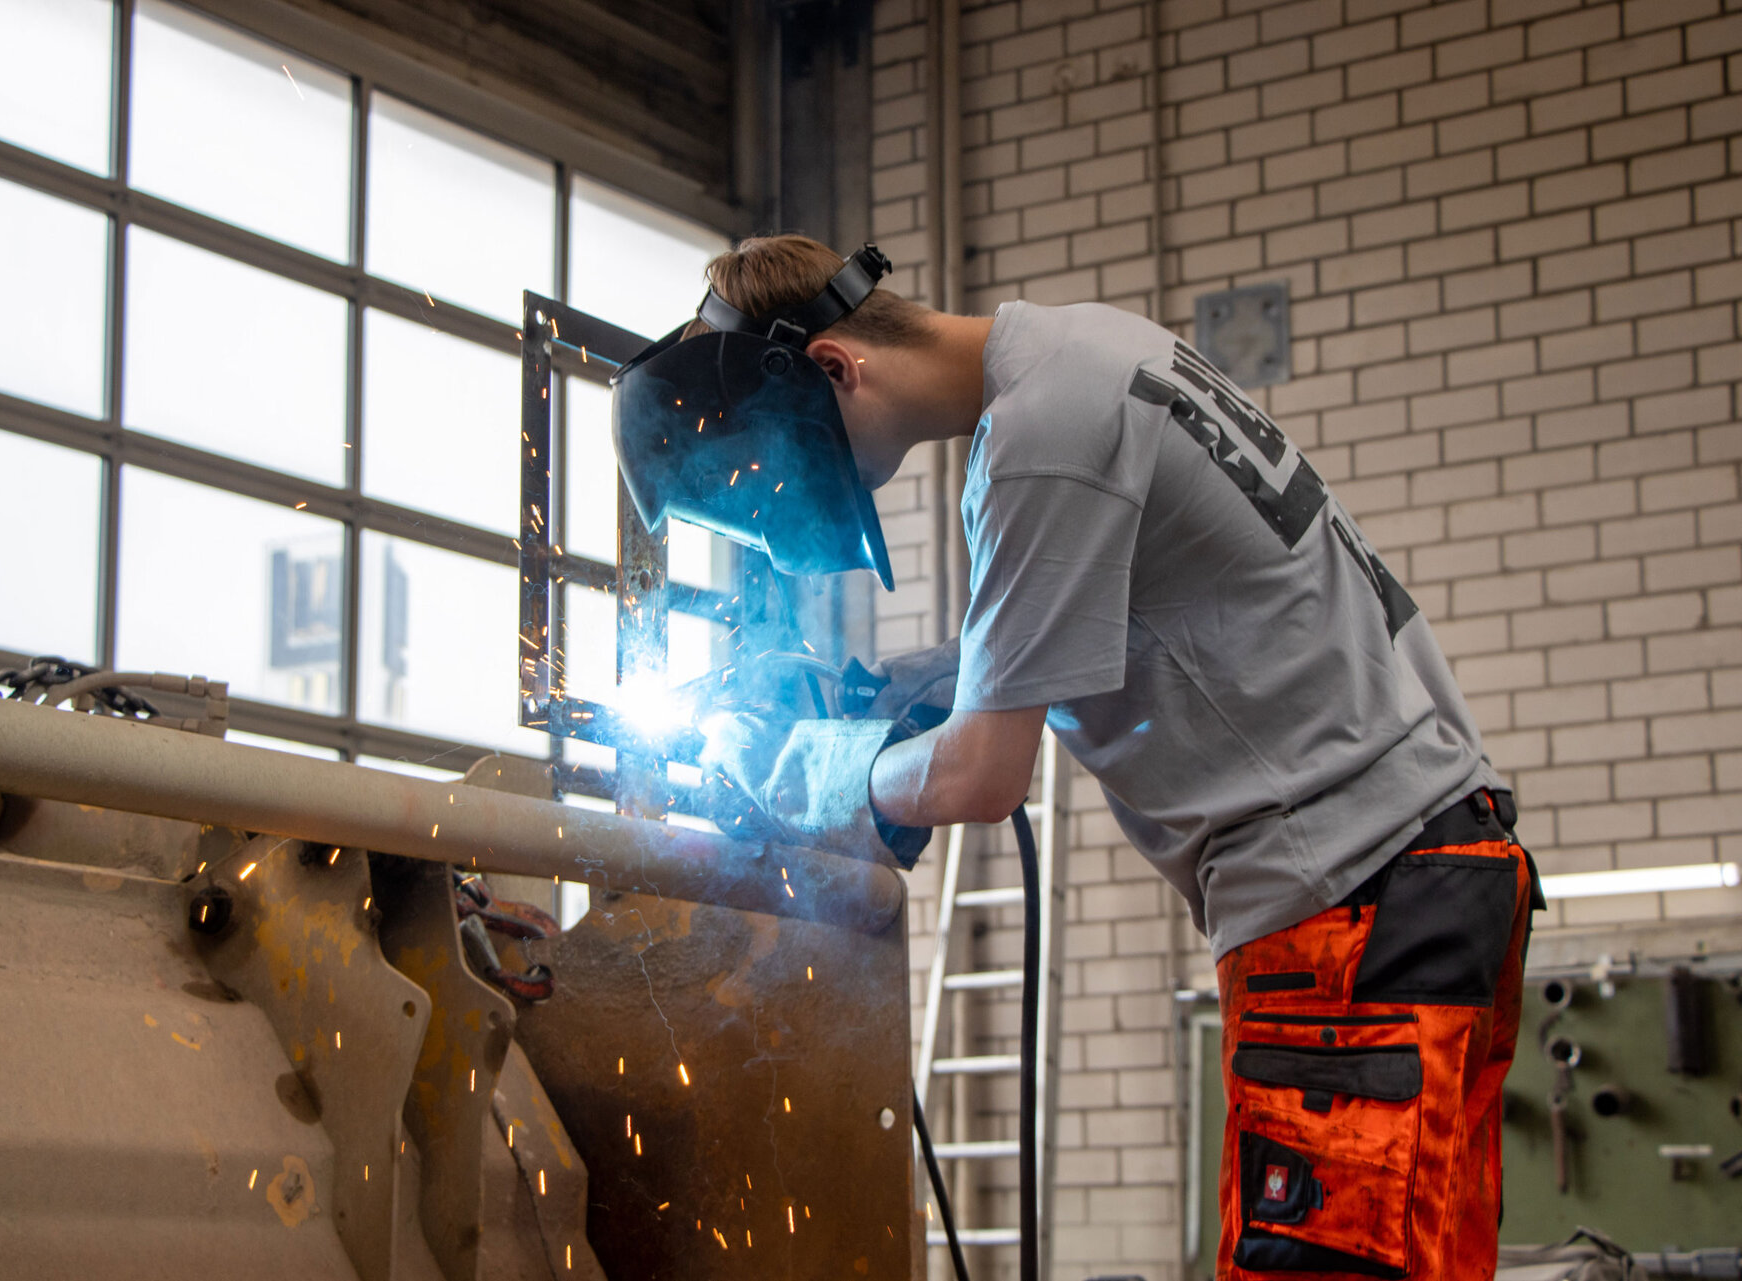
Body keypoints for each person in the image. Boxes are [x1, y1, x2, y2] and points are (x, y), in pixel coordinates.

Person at [613, 233, 1540, 1280]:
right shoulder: (1092, 350)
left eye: (774, 476)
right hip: (1439, 865)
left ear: (834, 368)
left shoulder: (1040, 431)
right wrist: (886, 696)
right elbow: (1101, 632)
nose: (777, 523)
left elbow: (980, 773)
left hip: (1351, 902)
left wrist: (794, 766)